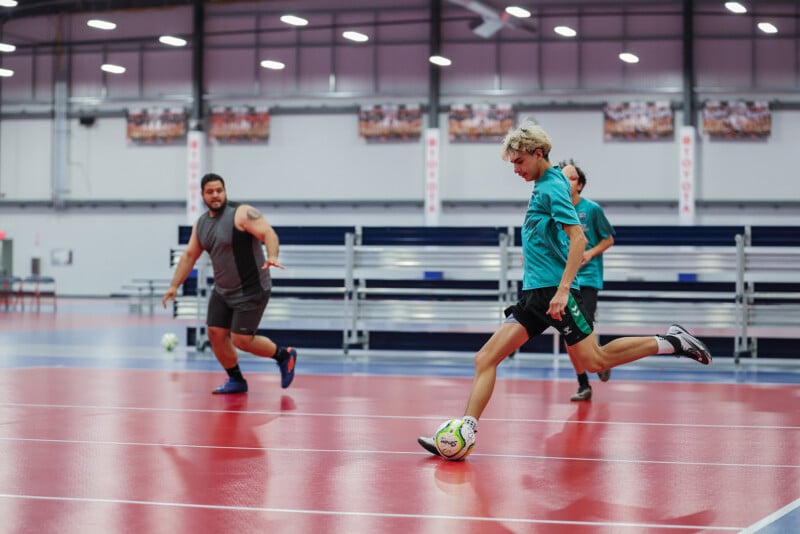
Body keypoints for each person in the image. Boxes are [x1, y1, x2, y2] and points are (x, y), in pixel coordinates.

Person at [418, 121, 711, 457]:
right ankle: (466, 430)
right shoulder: (546, 181)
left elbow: (579, 239)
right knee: (486, 358)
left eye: (518, 162)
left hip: (553, 293)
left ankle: (672, 342)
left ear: (536, 153)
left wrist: (563, 290)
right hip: (533, 295)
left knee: (596, 361)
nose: (515, 169)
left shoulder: (551, 188)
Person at [162, 173, 297, 394]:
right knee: (215, 333)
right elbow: (189, 256)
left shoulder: (241, 213)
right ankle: (236, 380)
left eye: (219, 190)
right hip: (223, 291)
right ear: (202, 195)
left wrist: (272, 255)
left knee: (241, 340)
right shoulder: (202, 224)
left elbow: (268, 232)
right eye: (210, 192)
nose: (215, 195)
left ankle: (284, 355)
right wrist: (174, 285)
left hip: (252, 288)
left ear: (225, 191)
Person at [560, 160, 615, 402]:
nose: (566, 182)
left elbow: (608, 239)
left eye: (571, 178)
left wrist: (590, 253)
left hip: (588, 277)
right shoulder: (556, 210)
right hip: (563, 280)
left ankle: (600, 358)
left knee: (585, 327)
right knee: (569, 333)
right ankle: (584, 384)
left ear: (580, 184)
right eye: (563, 178)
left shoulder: (592, 210)